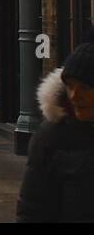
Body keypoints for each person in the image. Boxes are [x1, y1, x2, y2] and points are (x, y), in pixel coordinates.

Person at [17, 41, 94, 222]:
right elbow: (32, 209)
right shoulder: (52, 136)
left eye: (85, 88)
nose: (74, 95)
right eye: (70, 86)